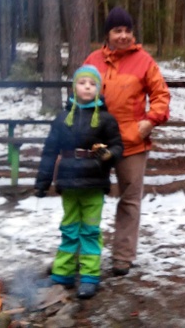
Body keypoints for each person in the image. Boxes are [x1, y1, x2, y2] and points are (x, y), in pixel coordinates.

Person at [83, 6, 171, 276]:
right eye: (117, 30)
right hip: (96, 143)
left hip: (131, 142)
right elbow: (79, 93)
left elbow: (161, 95)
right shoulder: (92, 60)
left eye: (127, 30)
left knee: (130, 200)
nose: (123, 35)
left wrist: (150, 121)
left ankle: (122, 256)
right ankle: (83, 253)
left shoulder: (144, 61)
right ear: (107, 34)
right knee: (87, 198)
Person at [34, 65, 123, 299]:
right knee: (70, 228)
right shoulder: (62, 118)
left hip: (94, 182)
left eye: (92, 84)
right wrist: (42, 181)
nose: (87, 87)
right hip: (68, 181)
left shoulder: (106, 119)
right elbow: (50, 151)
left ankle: (89, 276)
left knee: (90, 230)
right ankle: (63, 273)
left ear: (98, 89)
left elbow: (117, 146)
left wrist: (109, 155)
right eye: (82, 83)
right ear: (74, 87)